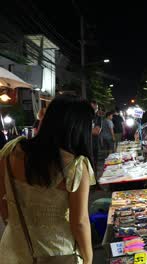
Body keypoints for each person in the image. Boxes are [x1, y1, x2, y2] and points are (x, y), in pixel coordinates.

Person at [0, 95, 95, 264]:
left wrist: (17, 225)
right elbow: (79, 222)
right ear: (79, 127)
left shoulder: (10, 152)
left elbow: (3, 202)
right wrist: (88, 258)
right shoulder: (75, 166)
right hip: (58, 252)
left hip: (14, 250)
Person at [90, 100, 101, 169]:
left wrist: (82, 129)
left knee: (93, 165)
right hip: (83, 146)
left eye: (95, 108)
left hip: (93, 144)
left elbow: (96, 132)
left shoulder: (97, 118)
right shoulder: (83, 117)